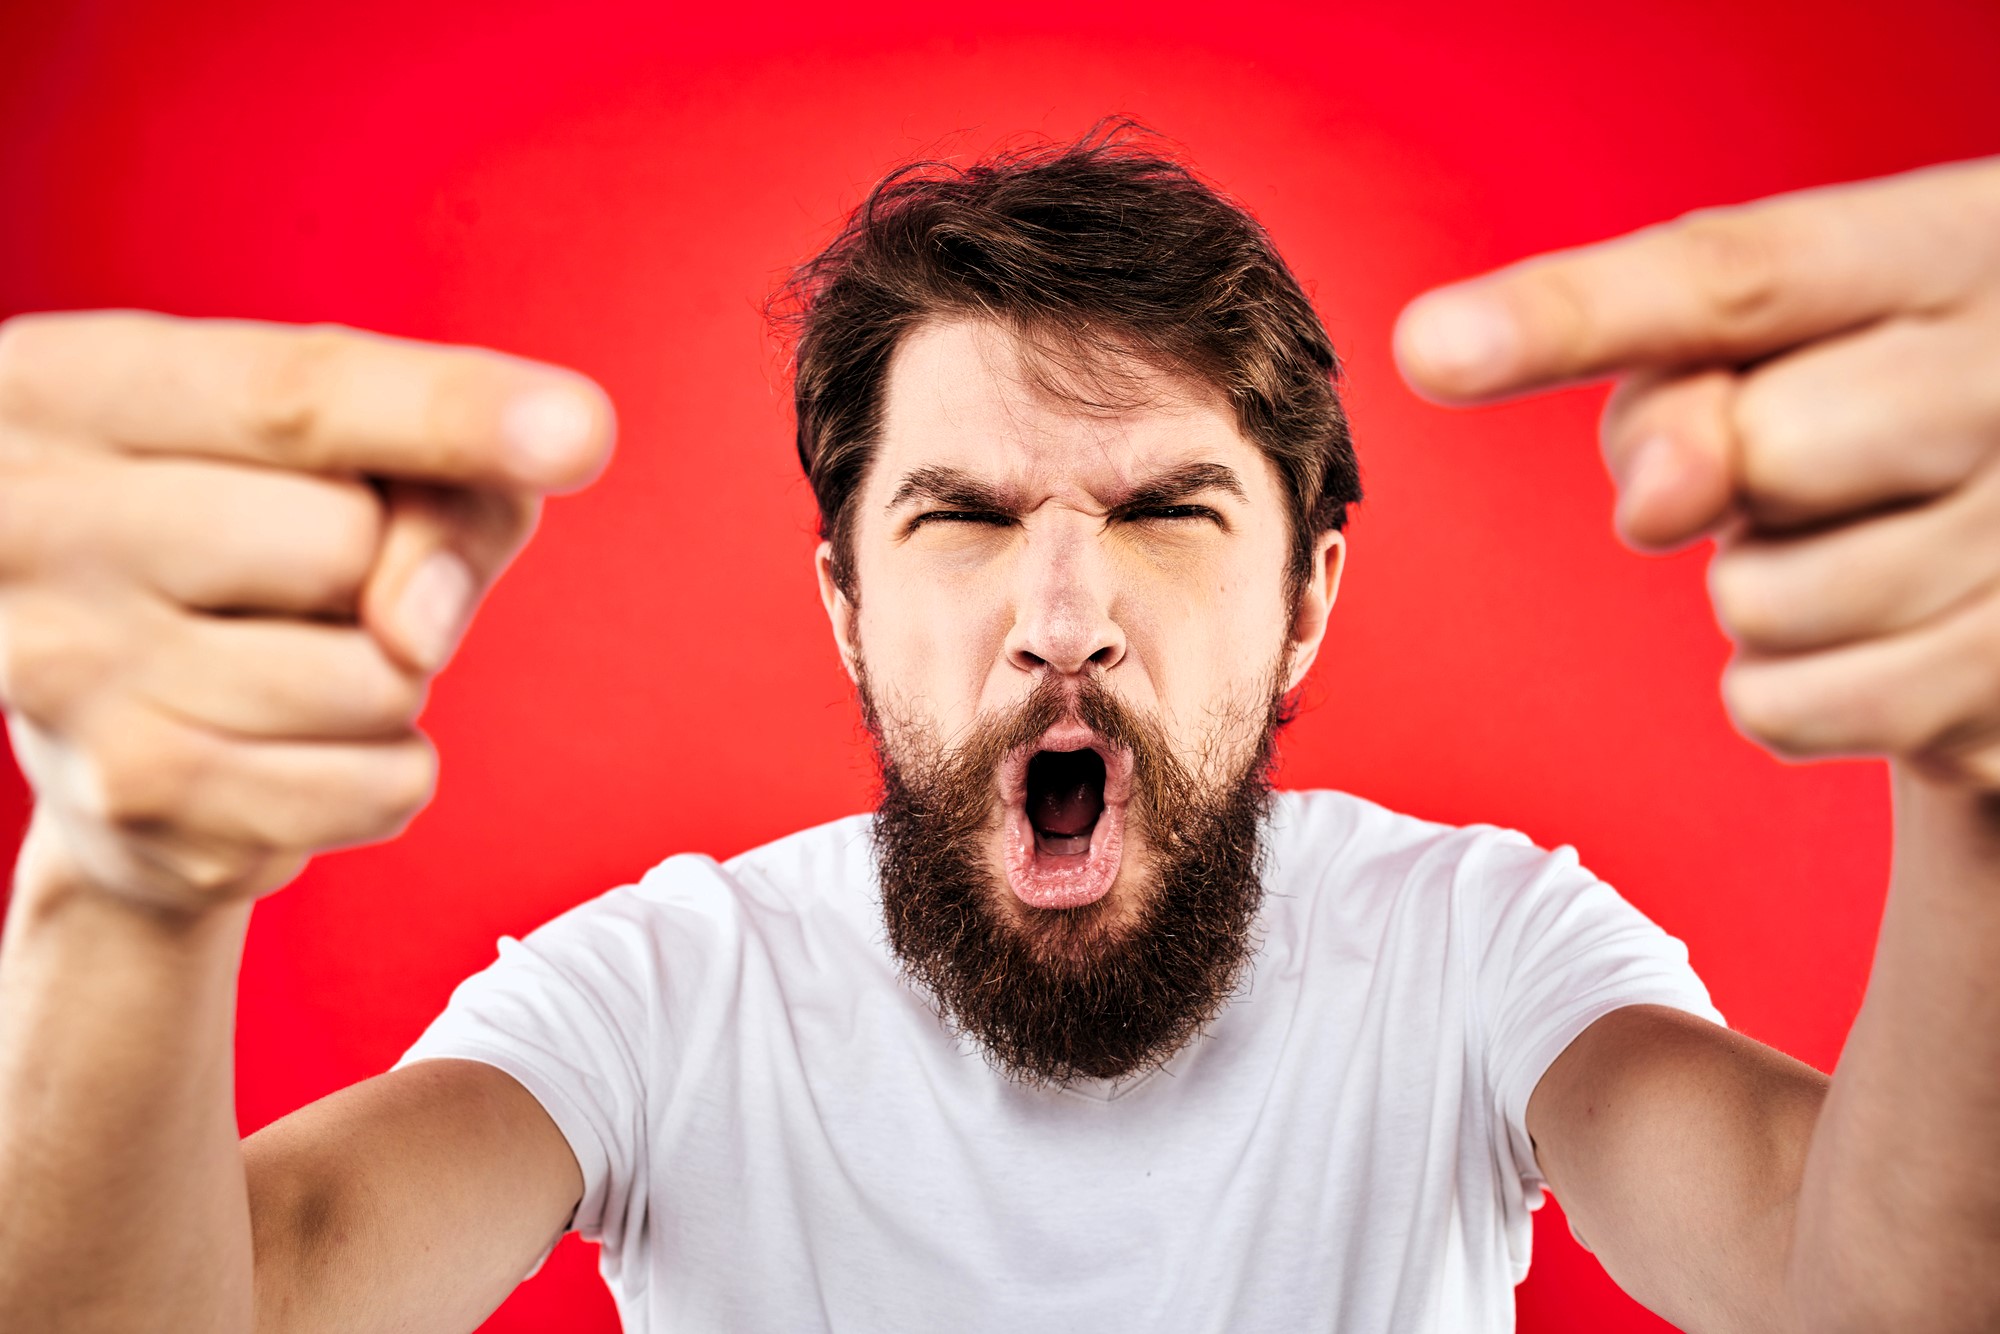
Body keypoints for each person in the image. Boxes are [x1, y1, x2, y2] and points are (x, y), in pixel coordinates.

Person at [0, 126, 1995, 1333]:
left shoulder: (1476, 950)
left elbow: (1866, 1293)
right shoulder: (669, 995)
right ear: (844, 605)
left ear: (1308, 592)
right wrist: (123, 899)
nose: (1061, 623)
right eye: (959, 521)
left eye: (1159, 511)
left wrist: (1979, 791)